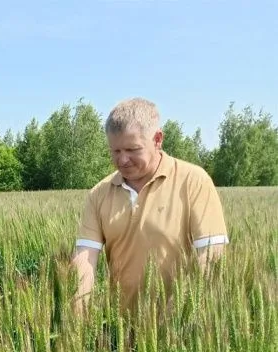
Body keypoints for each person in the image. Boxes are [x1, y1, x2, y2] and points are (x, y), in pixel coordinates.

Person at [72, 98, 228, 312]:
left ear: (157, 139)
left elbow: (211, 256)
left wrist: (175, 317)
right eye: (115, 151)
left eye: (132, 149)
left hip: (184, 332)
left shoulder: (193, 181)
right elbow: (85, 259)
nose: (123, 160)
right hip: (120, 329)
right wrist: (78, 314)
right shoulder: (99, 193)